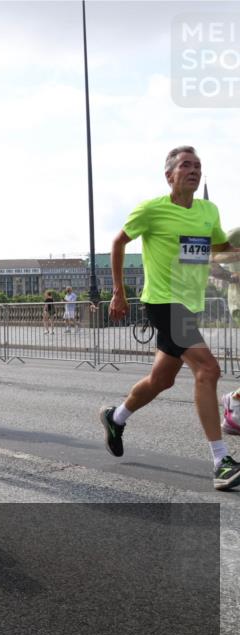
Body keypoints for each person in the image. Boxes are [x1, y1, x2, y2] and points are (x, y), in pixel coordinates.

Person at [100, 146, 240, 490]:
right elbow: (118, 242)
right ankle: (221, 461)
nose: (194, 170)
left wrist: (232, 263)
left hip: (190, 306)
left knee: (161, 380)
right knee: (209, 370)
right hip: (165, 303)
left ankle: (115, 418)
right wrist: (119, 292)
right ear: (170, 175)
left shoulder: (208, 211)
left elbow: (218, 249)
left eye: (198, 166)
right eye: (186, 166)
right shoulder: (152, 210)